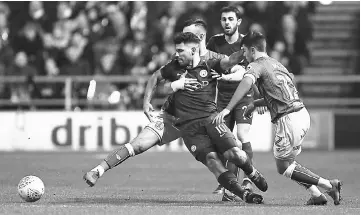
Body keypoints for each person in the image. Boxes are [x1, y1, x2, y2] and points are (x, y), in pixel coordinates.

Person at [83, 32, 266, 204]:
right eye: (176, 50)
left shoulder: (211, 61)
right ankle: (97, 171)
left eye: (180, 50)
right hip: (174, 119)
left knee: (232, 154)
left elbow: (232, 61)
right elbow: (155, 78)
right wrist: (147, 102)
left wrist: (248, 48)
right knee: (137, 145)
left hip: (206, 120)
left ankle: (247, 179)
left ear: (195, 47)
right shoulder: (174, 67)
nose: (176, 53)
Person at [213, 31, 342, 206]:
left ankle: (329, 185)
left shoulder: (256, 65)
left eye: (244, 50)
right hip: (301, 114)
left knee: (284, 167)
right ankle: (317, 195)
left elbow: (246, 82)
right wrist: (254, 104)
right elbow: (281, 91)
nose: (243, 55)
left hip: (288, 119)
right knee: (290, 163)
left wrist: (228, 108)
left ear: (252, 50)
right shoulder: (277, 64)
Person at [206, 6, 259, 195]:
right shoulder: (215, 42)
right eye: (224, 19)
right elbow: (209, 64)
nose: (227, 22)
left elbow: (246, 73)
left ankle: (247, 179)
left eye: (230, 19)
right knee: (225, 142)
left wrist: (224, 76)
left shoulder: (246, 42)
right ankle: (228, 182)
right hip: (222, 98)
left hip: (243, 96)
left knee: (243, 136)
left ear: (238, 22)